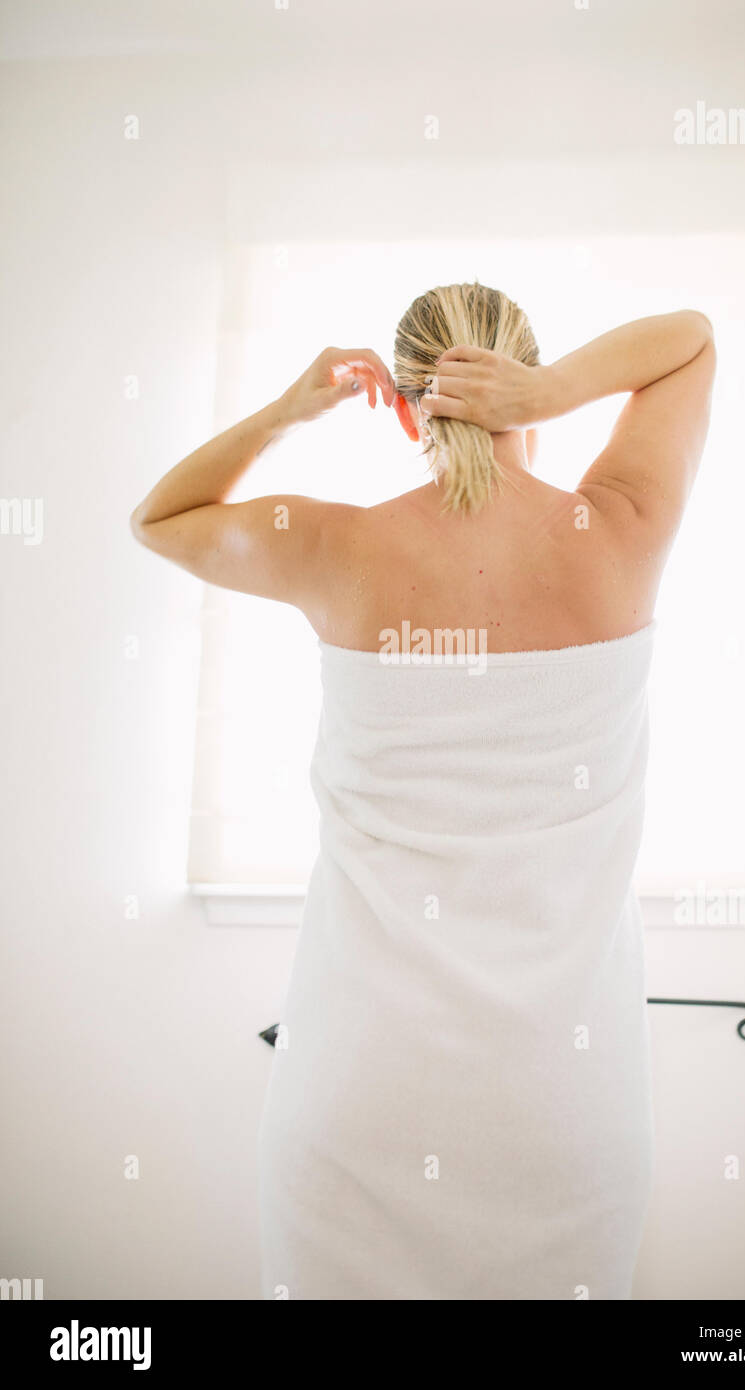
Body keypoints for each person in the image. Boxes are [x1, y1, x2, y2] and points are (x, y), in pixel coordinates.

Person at [131, 282, 715, 1299]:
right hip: (564, 1112)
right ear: (521, 381)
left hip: (356, 1101)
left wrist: (284, 409)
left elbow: (160, 518)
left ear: (402, 405)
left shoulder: (333, 546)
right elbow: (689, 341)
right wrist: (551, 392)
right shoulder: (617, 530)